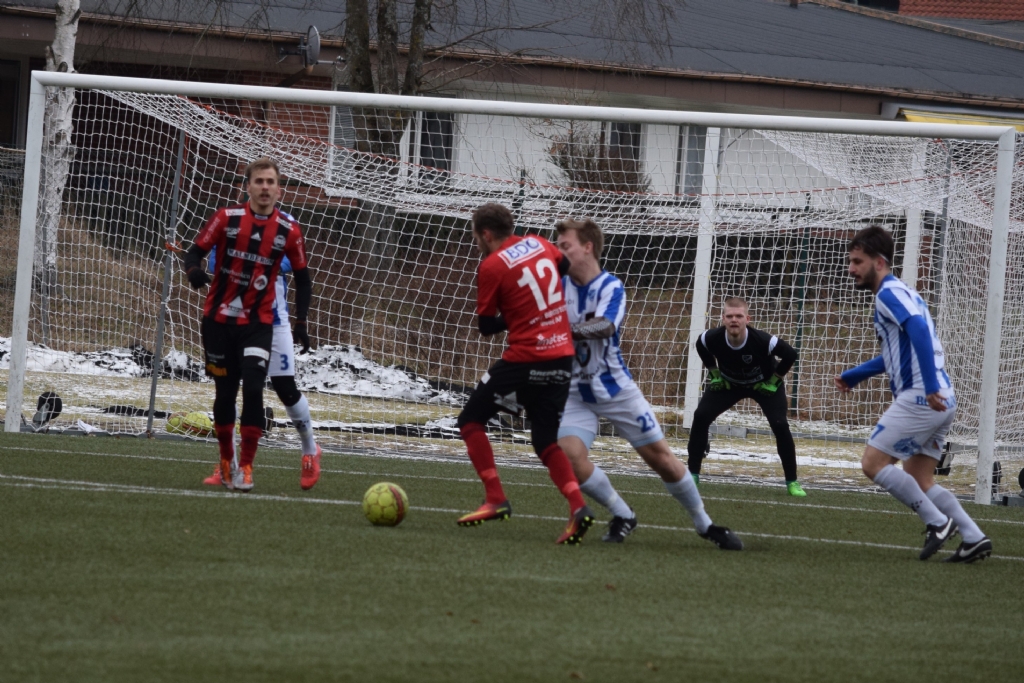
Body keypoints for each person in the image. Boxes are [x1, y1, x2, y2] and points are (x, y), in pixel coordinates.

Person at [553, 218, 742, 549]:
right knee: (568, 457)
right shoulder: (555, 286)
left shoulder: (610, 286)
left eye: (565, 245)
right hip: (574, 393)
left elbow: (605, 326)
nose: (558, 252)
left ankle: (706, 525)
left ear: (587, 247)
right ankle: (622, 514)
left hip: (616, 390)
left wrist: (561, 332)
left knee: (662, 460)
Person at [835, 225, 991, 562]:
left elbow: (919, 330)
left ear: (879, 262)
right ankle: (973, 537)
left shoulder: (887, 294)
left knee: (873, 464)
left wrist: (929, 387)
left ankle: (937, 522)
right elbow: (896, 354)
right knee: (919, 479)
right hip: (942, 398)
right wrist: (854, 375)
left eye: (857, 262)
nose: (851, 269)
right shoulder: (905, 293)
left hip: (922, 395)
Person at [455, 203, 595, 544]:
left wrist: (519, 314)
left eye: (476, 236)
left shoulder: (491, 266)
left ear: (486, 234)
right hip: (562, 357)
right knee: (544, 439)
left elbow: (486, 326)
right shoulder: (539, 243)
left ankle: (495, 498)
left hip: (526, 359)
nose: (476, 242)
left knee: (471, 420)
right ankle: (578, 507)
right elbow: (564, 266)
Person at [184, 157, 313, 493]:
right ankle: (226, 460)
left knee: (255, 388)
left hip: (259, 321)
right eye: (259, 181)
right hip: (219, 321)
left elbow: (303, 277)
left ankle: (247, 467)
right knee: (225, 392)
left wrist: (301, 322)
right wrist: (194, 271)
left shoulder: (288, 230)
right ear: (248, 187)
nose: (265, 187)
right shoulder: (226, 218)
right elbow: (194, 252)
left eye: (271, 182)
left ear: (279, 189)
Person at [201, 243, 322, 490]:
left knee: (285, 388)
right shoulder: (231, 225)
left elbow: (291, 263)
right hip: (234, 321)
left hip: (274, 323)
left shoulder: (283, 228)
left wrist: (254, 261)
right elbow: (214, 262)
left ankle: (310, 450)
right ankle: (229, 464)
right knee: (227, 389)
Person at [687, 297, 805, 496]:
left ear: (747, 319)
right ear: (723, 318)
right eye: (730, 316)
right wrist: (714, 373)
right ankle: (692, 475)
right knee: (700, 416)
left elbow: (790, 355)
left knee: (780, 425)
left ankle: (792, 482)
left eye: (739, 316)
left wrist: (774, 381)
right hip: (729, 385)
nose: (734, 320)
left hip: (763, 386)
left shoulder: (763, 341)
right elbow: (700, 345)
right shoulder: (711, 338)